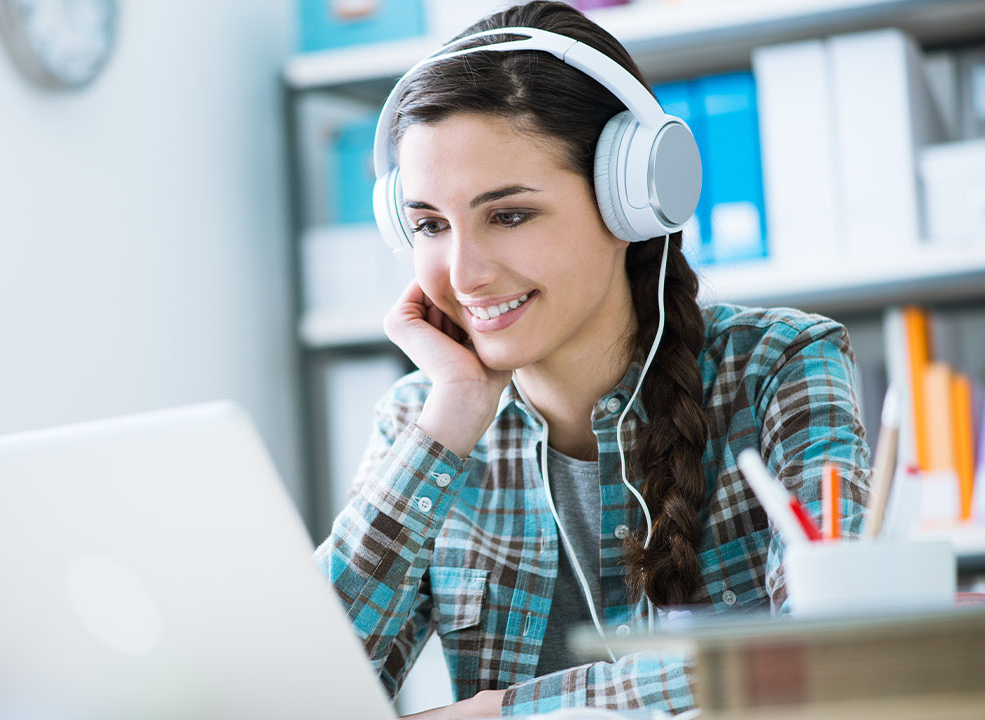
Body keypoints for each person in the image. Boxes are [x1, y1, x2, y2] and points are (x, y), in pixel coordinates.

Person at [313, 1, 871, 717]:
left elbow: (823, 657)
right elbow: (305, 692)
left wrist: (500, 712)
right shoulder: (419, 422)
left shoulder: (778, 368)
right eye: (428, 224)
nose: (463, 273)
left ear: (632, 202)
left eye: (508, 215)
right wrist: (447, 422)